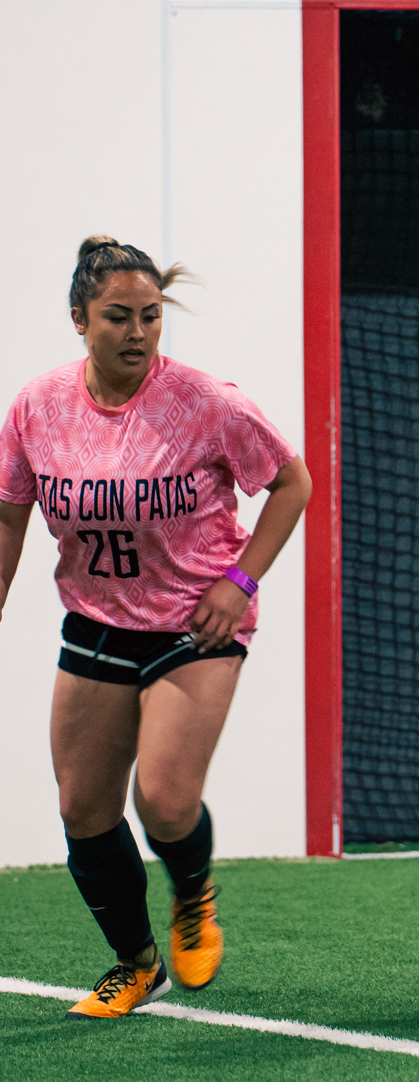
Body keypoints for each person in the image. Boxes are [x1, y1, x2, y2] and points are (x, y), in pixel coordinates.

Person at [0, 236, 311, 1020]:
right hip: (97, 620)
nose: (137, 332)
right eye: (118, 316)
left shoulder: (208, 402)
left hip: (194, 622)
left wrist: (240, 582)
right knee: (83, 811)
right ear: (79, 319)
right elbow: (9, 513)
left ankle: (193, 892)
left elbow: (292, 482)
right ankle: (138, 966)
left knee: (165, 802)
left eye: (150, 315)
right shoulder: (36, 407)